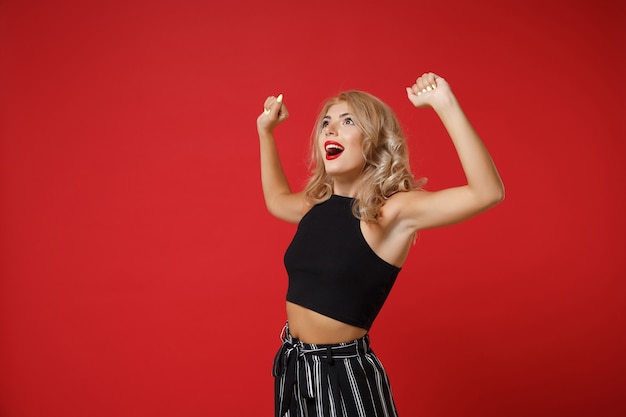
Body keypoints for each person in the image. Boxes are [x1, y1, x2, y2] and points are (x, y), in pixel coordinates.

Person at [257, 72, 504, 417]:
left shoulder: (391, 211)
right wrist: (265, 132)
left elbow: (487, 192)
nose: (330, 129)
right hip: (294, 370)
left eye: (347, 121)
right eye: (326, 122)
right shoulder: (316, 205)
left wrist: (444, 105)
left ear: (373, 140)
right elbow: (276, 199)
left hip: (342, 375)